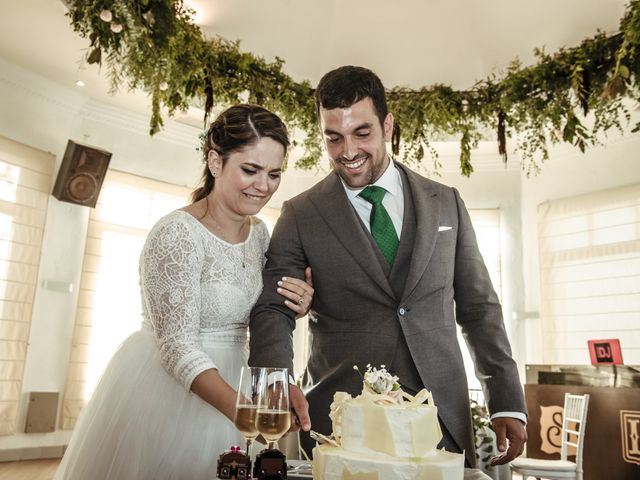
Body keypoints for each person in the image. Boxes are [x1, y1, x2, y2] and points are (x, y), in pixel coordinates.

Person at [249, 66, 527, 468]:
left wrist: (506, 401)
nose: (347, 151)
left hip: (441, 416)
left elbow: (479, 308)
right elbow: (274, 306)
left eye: (362, 133)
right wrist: (275, 379)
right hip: (339, 422)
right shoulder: (300, 214)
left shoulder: (446, 202)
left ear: (388, 126)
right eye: (333, 137)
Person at [55, 104, 314, 480]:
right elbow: (176, 346)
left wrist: (297, 304)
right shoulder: (177, 233)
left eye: (274, 174)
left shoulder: (260, 234)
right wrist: (243, 411)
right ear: (215, 161)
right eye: (250, 169)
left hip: (237, 377)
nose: (264, 186)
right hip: (173, 388)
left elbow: (260, 310)